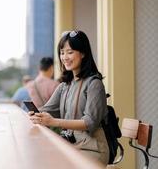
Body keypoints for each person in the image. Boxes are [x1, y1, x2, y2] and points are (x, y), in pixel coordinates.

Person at [29, 30, 109, 165]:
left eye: (70, 52)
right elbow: (46, 110)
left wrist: (54, 122)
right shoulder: (65, 85)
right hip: (71, 146)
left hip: (92, 149)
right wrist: (35, 114)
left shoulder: (94, 84)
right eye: (62, 52)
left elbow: (89, 122)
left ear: (83, 53)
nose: (64, 57)